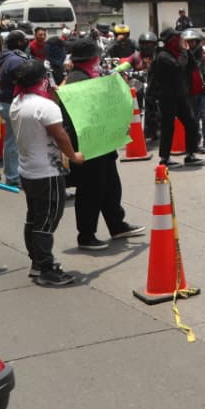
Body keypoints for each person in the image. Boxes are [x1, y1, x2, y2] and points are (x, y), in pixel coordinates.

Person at [61, 39, 144, 250]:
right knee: (90, 190)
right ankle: (86, 235)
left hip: (102, 143)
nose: (99, 60)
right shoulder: (77, 80)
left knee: (110, 186)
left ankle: (117, 224)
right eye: (96, 57)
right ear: (91, 59)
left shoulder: (91, 76)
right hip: (89, 145)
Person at [10, 59, 83, 286]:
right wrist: (74, 156)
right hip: (46, 172)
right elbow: (60, 135)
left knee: (34, 218)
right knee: (47, 220)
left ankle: (37, 262)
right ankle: (46, 268)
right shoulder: (45, 106)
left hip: (28, 170)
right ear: (43, 79)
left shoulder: (17, 101)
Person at [148, 29, 205, 169]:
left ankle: (190, 154)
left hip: (181, 95)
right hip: (167, 97)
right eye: (178, 38)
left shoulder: (181, 53)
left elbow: (192, 66)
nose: (182, 41)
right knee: (168, 127)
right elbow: (178, 67)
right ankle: (164, 158)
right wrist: (184, 54)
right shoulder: (163, 56)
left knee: (191, 123)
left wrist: (190, 54)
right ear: (172, 41)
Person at [0, 29, 30, 187]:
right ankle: (13, 177)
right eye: (25, 40)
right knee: (14, 141)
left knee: (11, 140)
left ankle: (12, 174)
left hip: (6, 102)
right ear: (19, 43)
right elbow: (25, 79)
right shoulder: (16, 60)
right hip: (11, 102)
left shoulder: (7, 57)